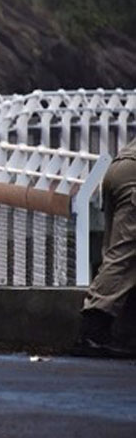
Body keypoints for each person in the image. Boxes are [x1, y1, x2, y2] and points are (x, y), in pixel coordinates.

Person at [75, 138, 136, 357]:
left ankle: (122, 335)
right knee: (124, 256)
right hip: (132, 178)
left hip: (121, 169)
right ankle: (93, 332)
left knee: (121, 255)